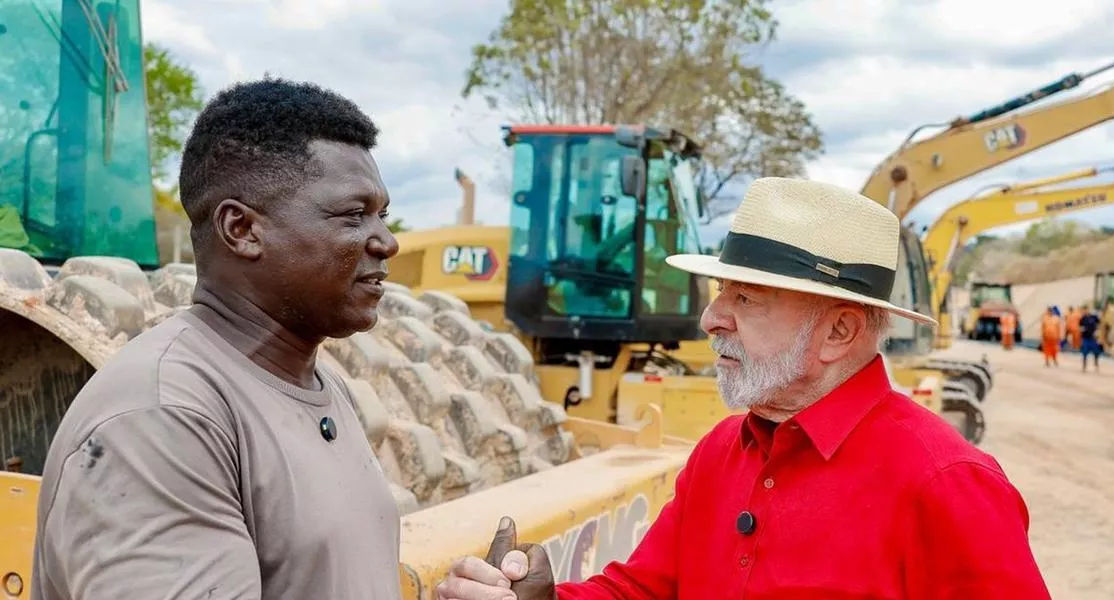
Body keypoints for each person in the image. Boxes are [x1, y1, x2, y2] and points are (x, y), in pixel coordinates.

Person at [435, 177, 1051, 599]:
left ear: (839, 329)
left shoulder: (947, 484)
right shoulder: (723, 451)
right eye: (720, 294)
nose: (711, 319)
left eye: (746, 299)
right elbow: (650, 590)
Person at [30, 78, 403, 599]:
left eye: (381, 215)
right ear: (242, 229)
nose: (387, 241)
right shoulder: (161, 417)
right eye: (352, 215)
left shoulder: (320, 384)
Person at [1079, 305, 1103, 373]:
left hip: (1093, 338)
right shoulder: (1082, 319)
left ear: (1088, 310)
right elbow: (1080, 327)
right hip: (1085, 338)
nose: (1085, 311)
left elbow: (1100, 323)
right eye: (1084, 310)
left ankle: (1096, 364)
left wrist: (1097, 331)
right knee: (1084, 353)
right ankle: (1084, 366)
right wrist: (1082, 330)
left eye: (1086, 310)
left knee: (1096, 352)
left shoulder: (1094, 317)